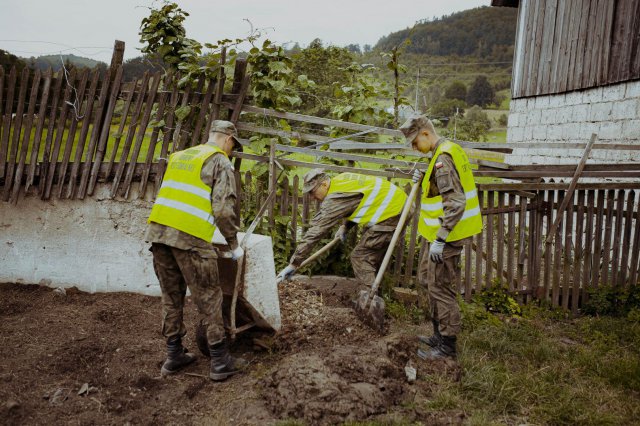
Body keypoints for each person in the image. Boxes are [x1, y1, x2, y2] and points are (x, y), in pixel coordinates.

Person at [145, 120, 245, 380]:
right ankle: (221, 362)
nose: (232, 151)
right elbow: (223, 210)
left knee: (171, 296)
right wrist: (234, 244)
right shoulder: (220, 160)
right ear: (227, 139)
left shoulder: (180, 156)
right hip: (189, 238)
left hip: (158, 234)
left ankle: (173, 354)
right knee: (210, 297)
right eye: (233, 145)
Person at [400, 115, 483, 360]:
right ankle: (438, 334)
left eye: (415, 142)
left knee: (440, 288)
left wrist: (442, 238)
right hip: (436, 234)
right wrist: (424, 178)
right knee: (427, 281)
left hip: (446, 236)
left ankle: (447, 346)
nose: (414, 148)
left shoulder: (443, 158)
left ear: (426, 133)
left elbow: (456, 202)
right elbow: (440, 190)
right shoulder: (441, 154)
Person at [276, 170, 407, 298]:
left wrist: (294, 263)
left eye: (312, 192)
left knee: (360, 256)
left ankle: (370, 300)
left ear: (324, 185)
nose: (312, 197)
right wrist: (345, 226)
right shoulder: (342, 179)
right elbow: (360, 202)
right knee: (370, 252)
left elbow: (315, 232)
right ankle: (375, 289)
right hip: (401, 203)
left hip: (393, 213)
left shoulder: (334, 198)